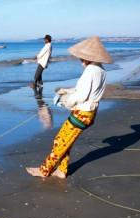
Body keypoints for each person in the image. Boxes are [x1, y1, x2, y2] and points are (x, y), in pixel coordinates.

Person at [26, 36, 113, 178]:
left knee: (60, 140)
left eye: (81, 57)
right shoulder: (101, 70)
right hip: (90, 112)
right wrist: (66, 91)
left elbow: (82, 96)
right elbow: (84, 90)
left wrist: (67, 102)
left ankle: (44, 170)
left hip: (83, 112)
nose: (80, 60)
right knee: (66, 140)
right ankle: (61, 170)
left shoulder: (91, 70)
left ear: (87, 57)